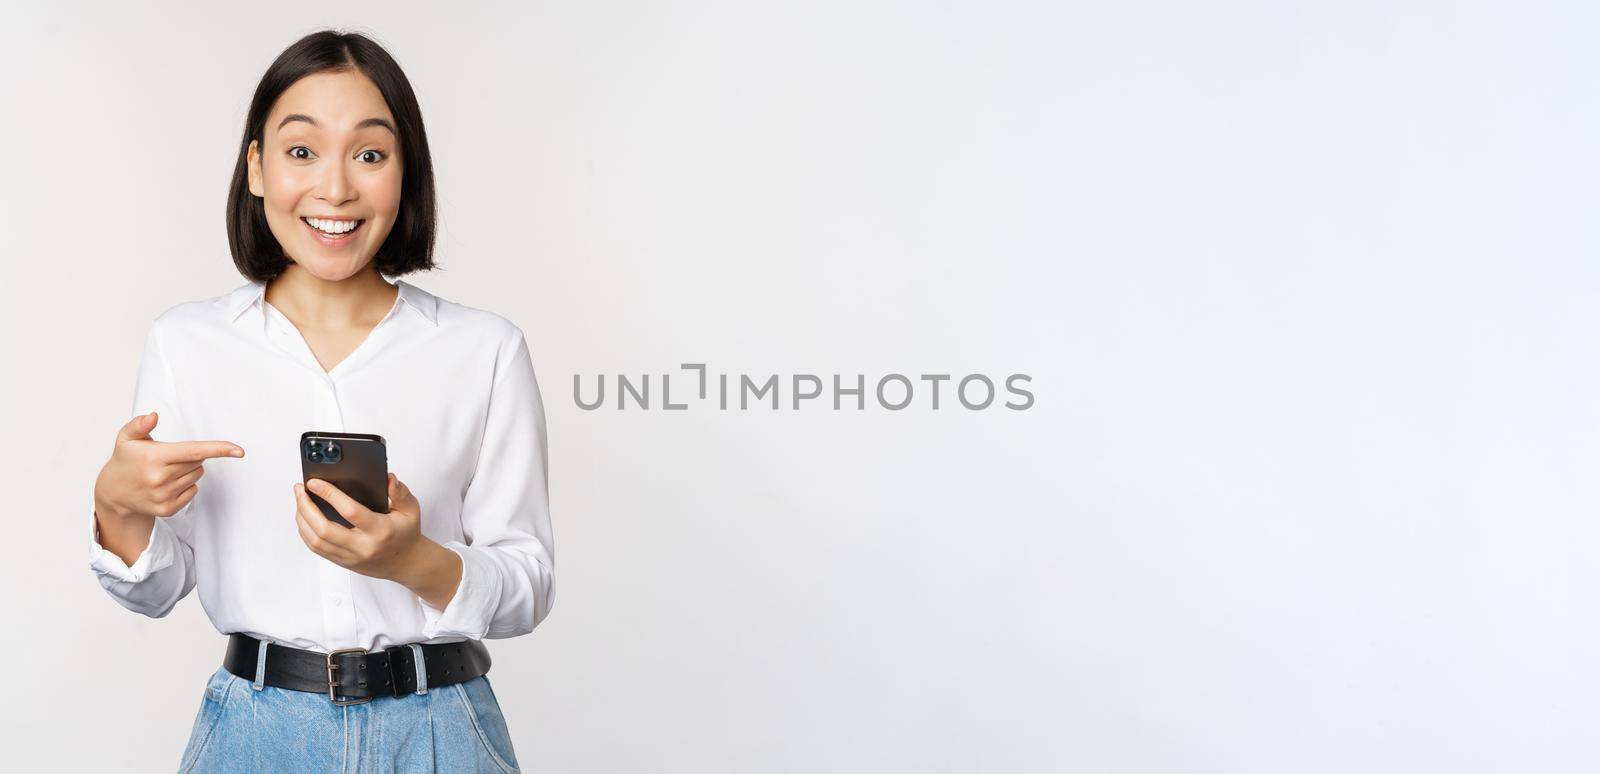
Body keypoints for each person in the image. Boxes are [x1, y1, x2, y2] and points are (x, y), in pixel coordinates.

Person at [88, 29, 553, 773]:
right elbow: (158, 588)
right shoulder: (187, 343)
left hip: (441, 733)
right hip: (253, 735)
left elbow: (527, 585)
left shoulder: (483, 351)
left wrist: (414, 560)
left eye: (370, 154)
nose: (335, 189)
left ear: (406, 174)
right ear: (256, 168)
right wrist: (119, 508)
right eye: (301, 151)